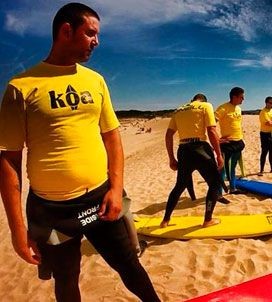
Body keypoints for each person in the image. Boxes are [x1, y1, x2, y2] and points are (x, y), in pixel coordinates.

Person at [0, 3, 159, 301]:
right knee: (66, 277)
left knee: (129, 265)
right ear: (66, 31)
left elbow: (112, 138)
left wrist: (115, 188)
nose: (97, 42)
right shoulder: (20, 88)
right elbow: (9, 161)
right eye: (90, 33)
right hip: (52, 215)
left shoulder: (95, 81)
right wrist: (18, 230)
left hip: (99, 203)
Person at [161, 93, 226, 228]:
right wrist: (219, 155)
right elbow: (212, 131)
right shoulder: (205, 106)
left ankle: (165, 220)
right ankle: (207, 220)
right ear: (203, 100)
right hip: (200, 148)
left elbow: (168, 135)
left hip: (183, 150)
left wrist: (171, 158)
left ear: (192, 100)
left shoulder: (178, 110)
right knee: (214, 184)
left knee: (179, 186)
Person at [215, 87, 246, 194]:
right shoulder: (222, 108)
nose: (243, 99)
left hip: (238, 142)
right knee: (222, 170)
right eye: (241, 97)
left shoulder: (238, 108)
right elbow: (211, 125)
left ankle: (232, 188)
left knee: (233, 167)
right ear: (234, 97)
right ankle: (219, 193)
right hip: (227, 144)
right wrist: (217, 139)